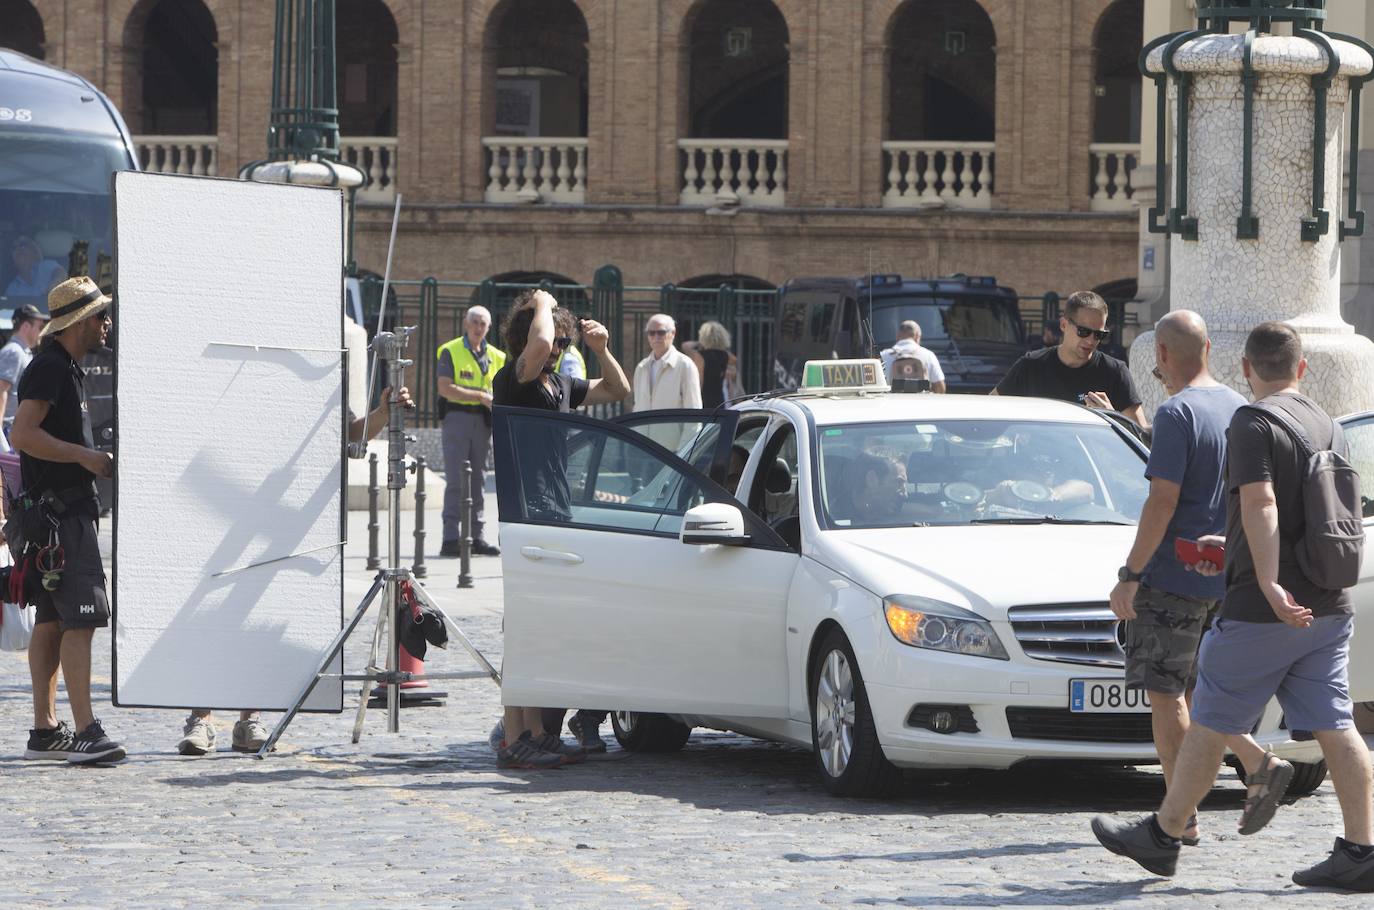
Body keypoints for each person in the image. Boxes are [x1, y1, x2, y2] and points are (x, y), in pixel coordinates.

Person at [1092, 322, 1374, 892]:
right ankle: (1361, 850)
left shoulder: (1254, 420)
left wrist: (1266, 581)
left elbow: (1263, 501)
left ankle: (1165, 835)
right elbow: (1313, 512)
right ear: (1301, 369)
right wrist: (1232, 550)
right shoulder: (1327, 424)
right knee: (1337, 726)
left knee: (1209, 716)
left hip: (1264, 608)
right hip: (1329, 602)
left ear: (1246, 369)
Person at [176, 387, 414, 756]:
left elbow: (348, 431)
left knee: (258, 614)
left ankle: (249, 719)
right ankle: (201, 718)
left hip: (276, 515)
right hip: (219, 506)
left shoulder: (311, 367)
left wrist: (381, 414)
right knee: (208, 611)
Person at [1105, 310, 1269, 847]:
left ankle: (1179, 817)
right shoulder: (1239, 406)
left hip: (1173, 575)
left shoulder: (1176, 413)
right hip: (1226, 575)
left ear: (1163, 356)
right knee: (1204, 694)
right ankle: (1256, 760)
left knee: (1166, 695)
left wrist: (1131, 574)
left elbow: (1162, 500)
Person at [493, 289, 630, 769]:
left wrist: (601, 350)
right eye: (553, 339)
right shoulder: (515, 379)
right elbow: (535, 346)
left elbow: (617, 391)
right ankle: (513, 738)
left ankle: (535, 731)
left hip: (554, 510)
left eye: (562, 343)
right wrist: (543, 303)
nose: (556, 348)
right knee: (523, 628)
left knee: (543, 627)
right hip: (525, 512)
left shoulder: (556, 385)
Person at [13, 276, 122, 763]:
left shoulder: (65, 366)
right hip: (62, 515)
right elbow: (21, 434)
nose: (107, 324)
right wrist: (85, 456)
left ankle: (44, 730)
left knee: (54, 621)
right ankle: (85, 730)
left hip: (52, 515)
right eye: (101, 315)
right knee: (81, 620)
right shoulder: (52, 366)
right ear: (80, 321)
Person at [992, 291, 1145, 429]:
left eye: (1099, 335)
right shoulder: (1030, 366)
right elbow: (990, 411)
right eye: (1083, 331)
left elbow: (1140, 434)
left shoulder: (1115, 371)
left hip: (1091, 460)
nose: (1091, 341)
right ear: (1064, 324)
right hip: (1035, 457)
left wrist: (1112, 416)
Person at [435, 305, 505, 558]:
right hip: (457, 417)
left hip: (483, 422)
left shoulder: (497, 356)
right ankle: (451, 537)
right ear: (466, 324)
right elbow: (445, 388)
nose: (478, 328)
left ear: (488, 327)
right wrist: (479, 396)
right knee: (455, 479)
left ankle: (477, 537)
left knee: (479, 480)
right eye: (474, 322)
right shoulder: (450, 350)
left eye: (483, 323)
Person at [631, 313, 701, 440]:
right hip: (641, 448)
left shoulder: (685, 366)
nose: (656, 337)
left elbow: (694, 414)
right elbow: (637, 407)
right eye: (651, 333)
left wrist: (684, 450)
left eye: (661, 332)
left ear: (673, 333)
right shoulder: (641, 367)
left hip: (671, 451)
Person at [0, 303, 50, 452]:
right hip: (9, 432)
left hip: (17, 431)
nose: (42, 333)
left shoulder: (22, 352)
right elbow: (1, 391)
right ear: (26, 327)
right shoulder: (14, 352)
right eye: (39, 328)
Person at [683, 320, 742, 409]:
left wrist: (700, 342)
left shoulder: (700, 356)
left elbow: (685, 346)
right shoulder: (727, 356)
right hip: (721, 399)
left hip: (705, 399)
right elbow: (734, 364)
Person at [880, 321, 946, 393]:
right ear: (917, 336)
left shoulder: (883, 355)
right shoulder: (928, 355)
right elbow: (940, 387)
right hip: (921, 403)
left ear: (897, 336)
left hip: (893, 403)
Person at [4, 236, 66, 300]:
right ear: (13, 262)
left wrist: (55, 282)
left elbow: (60, 273)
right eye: (14, 248)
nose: (18, 248)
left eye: (23, 245)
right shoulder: (12, 289)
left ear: (34, 253)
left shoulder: (45, 266)